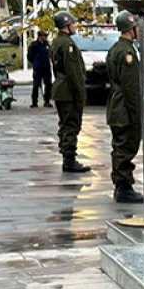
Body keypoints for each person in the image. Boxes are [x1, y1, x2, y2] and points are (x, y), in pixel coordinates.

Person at [105, 10, 144, 204]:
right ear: (131, 29)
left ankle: (122, 185)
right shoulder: (127, 52)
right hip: (124, 108)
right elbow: (130, 87)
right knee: (126, 145)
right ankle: (123, 187)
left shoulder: (116, 48)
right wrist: (137, 114)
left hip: (116, 104)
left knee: (119, 145)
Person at [51, 12, 90, 173]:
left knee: (65, 124)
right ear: (66, 26)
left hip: (61, 89)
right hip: (68, 92)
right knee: (71, 125)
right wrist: (81, 94)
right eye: (73, 23)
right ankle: (69, 159)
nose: (75, 26)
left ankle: (68, 157)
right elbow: (73, 72)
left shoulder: (57, 42)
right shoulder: (68, 44)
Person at [28, 30, 53, 109]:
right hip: (38, 68)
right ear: (39, 36)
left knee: (48, 84)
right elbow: (29, 56)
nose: (45, 37)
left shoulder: (47, 44)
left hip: (46, 67)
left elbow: (50, 54)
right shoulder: (34, 45)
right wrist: (35, 62)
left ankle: (47, 101)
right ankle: (34, 102)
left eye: (46, 36)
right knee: (36, 85)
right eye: (44, 36)